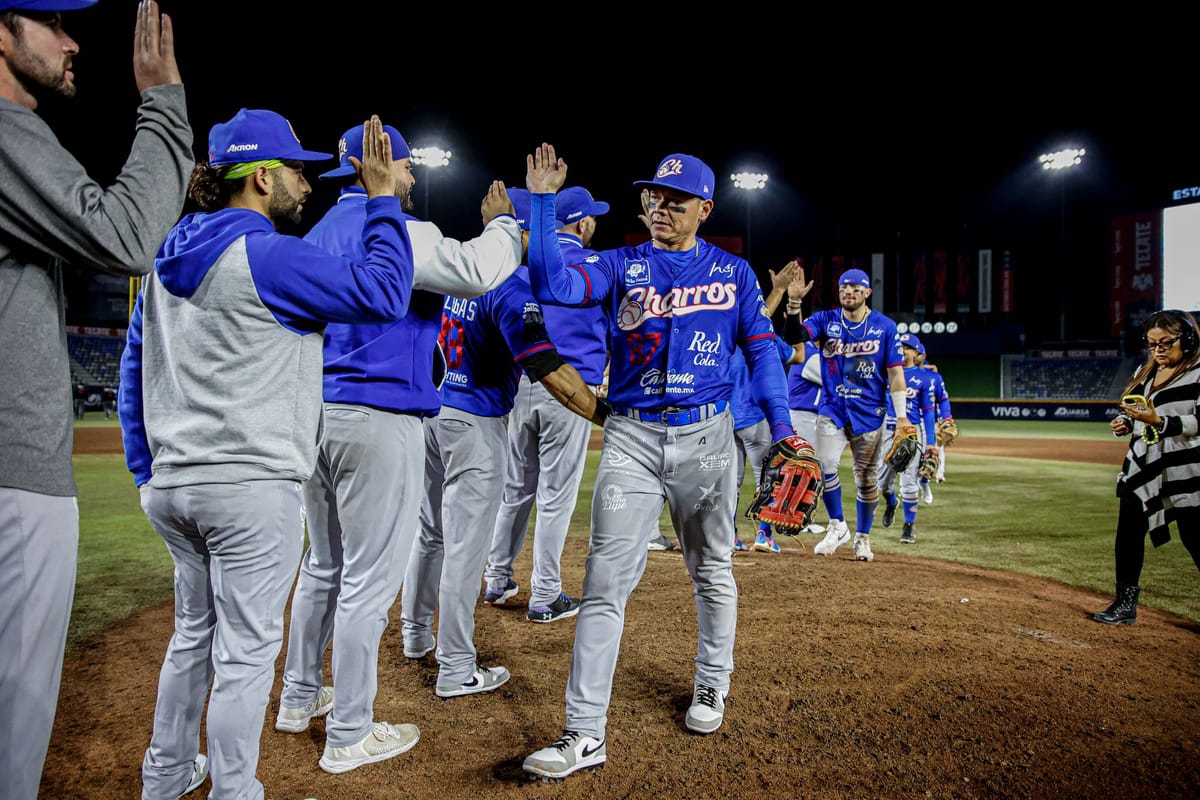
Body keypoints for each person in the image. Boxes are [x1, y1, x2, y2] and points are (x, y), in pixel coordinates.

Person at [120, 112, 414, 799]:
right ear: (258, 177)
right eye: (294, 168)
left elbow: (133, 368)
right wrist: (379, 199)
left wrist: (143, 469)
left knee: (194, 637)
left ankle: (164, 778)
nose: (305, 182)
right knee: (247, 656)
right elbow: (385, 293)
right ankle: (234, 790)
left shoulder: (164, 259)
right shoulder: (269, 253)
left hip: (174, 485)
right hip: (251, 487)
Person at [519, 145, 795, 780]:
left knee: (712, 570)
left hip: (707, 442)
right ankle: (584, 733)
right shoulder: (620, 264)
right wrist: (538, 203)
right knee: (602, 586)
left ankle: (711, 683)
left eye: (675, 200)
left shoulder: (735, 273)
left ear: (704, 207)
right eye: (654, 197)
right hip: (631, 440)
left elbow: (762, 354)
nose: (660, 207)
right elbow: (553, 284)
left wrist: (782, 431)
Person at [275, 122, 523, 774]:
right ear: (378, 166)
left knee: (322, 565)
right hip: (379, 416)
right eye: (406, 167)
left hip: (316, 417)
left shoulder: (319, 231)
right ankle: (350, 731)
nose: (410, 178)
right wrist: (503, 227)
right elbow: (474, 272)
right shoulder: (398, 231)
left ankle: (299, 696)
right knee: (364, 580)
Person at [0, 3, 192, 798]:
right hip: (12, 478)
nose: (73, 41)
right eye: (49, 21)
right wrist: (164, 103)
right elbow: (124, 236)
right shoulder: (6, 132)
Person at [399, 209, 606, 697]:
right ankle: (455, 666)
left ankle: (414, 634)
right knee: (466, 548)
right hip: (476, 423)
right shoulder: (510, 285)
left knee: (429, 535)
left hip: (430, 414)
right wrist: (604, 415)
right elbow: (547, 367)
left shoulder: (451, 267)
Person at [482, 185, 611, 620]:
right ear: (581, 222)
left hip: (521, 384)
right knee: (555, 496)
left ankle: (497, 579)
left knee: (515, 490)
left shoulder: (526, 264)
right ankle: (546, 594)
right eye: (592, 217)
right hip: (570, 390)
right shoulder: (596, 266)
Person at [783, 267, 910, 563]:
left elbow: (895, 374)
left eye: (854, 288)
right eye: (843, 288)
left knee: (866, 479)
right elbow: (795, 335)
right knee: (824, 464)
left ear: (867, 292)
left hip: (870, 414)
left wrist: (902, 417)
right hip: (833, 409)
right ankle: (838, 525)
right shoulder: (826, 320)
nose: (848, 292)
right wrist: (793, 305)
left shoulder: (885, 327)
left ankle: (863, 538)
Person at [1094, 309, 1200, 625]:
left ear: (1189, 339)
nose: (1158, 350)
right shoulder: (1147, 370)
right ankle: (1125, 604)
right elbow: (1139, 408)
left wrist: (1161, 422)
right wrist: (1125, 422)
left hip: (1186, 470)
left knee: (1195, 537)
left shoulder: (1198, 373)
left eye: (1166, 343)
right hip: (1142, 465)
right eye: (1152, 344)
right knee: (1128, 532)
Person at [878, 333, 938, 544]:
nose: (902, 350)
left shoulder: (923, 378)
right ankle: (891, 502)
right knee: (882, 483)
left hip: (911, 432)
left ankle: (908, 526)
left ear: (915, 352)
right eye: (900, 346)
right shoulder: (886, 373)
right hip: (887, 430)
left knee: (909, 482)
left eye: (907, 347)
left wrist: (930, 442)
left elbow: (929, 412)